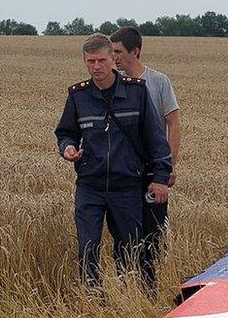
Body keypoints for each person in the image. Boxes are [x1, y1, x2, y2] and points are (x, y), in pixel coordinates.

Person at [55, 33, 172, 288]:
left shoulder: (136, 93)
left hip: (127, 186)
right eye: (90, 61)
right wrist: (68, 148)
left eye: (101, 60)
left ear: (112, 59)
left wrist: (161, 178)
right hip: (90, 185)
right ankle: (94, 301)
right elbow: (65, 133)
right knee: (88, 248)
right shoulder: (78, 96)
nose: (96, 67)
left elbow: (156, 139)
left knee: (129, 249)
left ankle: (129, 296)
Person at [110, 26, 181, 289]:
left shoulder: (158, 81)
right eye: (112, 51)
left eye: (118, 51)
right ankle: (125, 285)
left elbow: (173, 123)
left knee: (154, 232)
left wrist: (170, 165)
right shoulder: (111, 82)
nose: (113, 57)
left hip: (154, 171)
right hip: (124, 171)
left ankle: (149, 285)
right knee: (123, 232)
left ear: (135, 51)